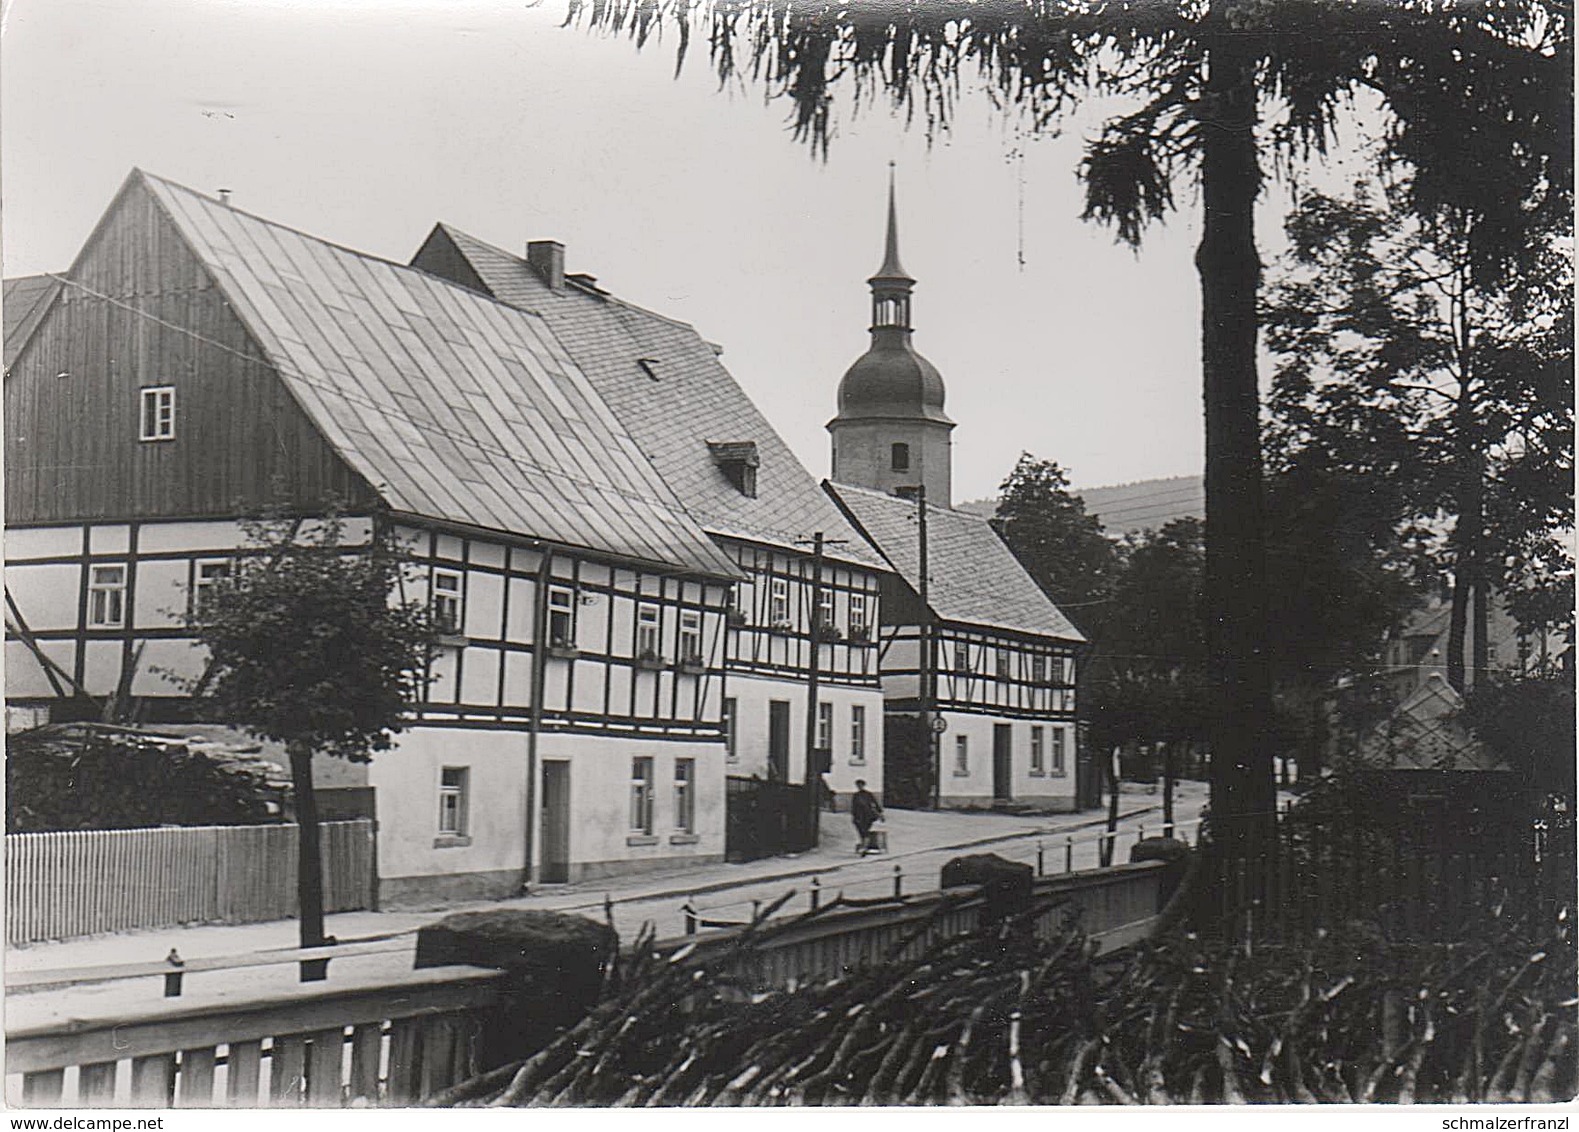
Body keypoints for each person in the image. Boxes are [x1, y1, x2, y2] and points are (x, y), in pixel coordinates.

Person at [851, 779, 882, 855]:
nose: (859, 787)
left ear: (863, 785)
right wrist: (854, 816)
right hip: (858, 817)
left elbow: (875, 803)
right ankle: (863, 846)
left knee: (866, 832)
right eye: (858, 785)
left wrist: (880, 812)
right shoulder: (856, 795)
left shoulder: (868, 794)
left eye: (861, 785)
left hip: (868, 816)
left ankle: (863, 848)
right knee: (862, 832)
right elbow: (853, 807)